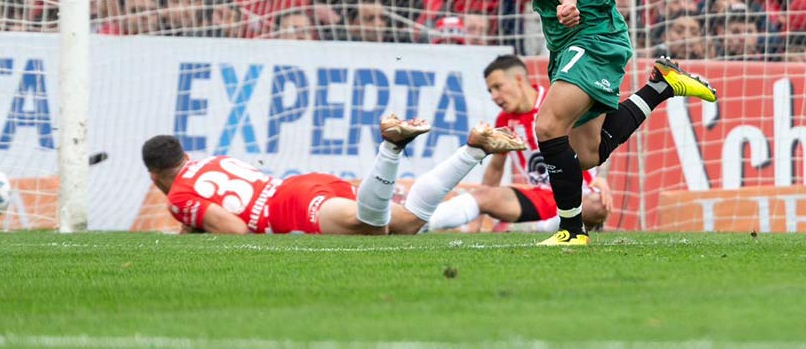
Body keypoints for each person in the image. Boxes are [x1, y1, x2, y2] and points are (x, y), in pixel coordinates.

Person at [463, 0, 716, 246]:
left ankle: (572, 231)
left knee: (547, 126)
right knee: (587, 154)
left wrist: (567, 1)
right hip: (564, 39)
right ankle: (661, 86)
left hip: (594, 30)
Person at [141, 115, 526, 235]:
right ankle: (473, 149)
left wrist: (195, 228)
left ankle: (391, 147)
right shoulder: (211, 160)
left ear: (156, 175)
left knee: (371, 228)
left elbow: (235, 230)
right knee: (406, 223)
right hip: (302, 185)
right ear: (185, 155)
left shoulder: (178, 195)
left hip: (291, 208)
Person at [427, 55, 612, 233]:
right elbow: (496, 169)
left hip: (579, 193)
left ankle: (538, 228)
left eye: (498, 87)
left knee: (596, 204)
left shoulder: (556, 104)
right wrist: (477, 222)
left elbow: (591, 139)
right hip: (542, 197)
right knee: (483, 195)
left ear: (518, 79)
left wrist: (599, 176)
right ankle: (419, 221)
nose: (494, 96)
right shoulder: (505, 121)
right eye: (490, 91)